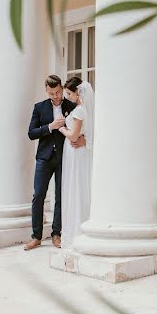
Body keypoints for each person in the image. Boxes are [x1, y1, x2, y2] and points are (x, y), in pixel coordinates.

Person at [23, 75, 85, 251]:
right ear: (46, 91)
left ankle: (57, 234)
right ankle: (36, 236)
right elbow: (31, 133)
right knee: (38, 195)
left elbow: (82, 126)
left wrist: (85, 140)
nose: (56, 96)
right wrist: (50, 127)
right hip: (44, 158)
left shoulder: (71, 105)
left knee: (60, 196)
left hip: (64, 158)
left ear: (61, 88)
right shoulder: (39, 107)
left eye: (58, 92)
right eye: (52, 93)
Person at [57, 76, 94, 247]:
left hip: (76, 153)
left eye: (69, 94)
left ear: (78, 92)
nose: (67, 97)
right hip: (75, 152)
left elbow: (73, 135)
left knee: (76, 188)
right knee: (76, 187)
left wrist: (62, 128)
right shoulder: (80, 109)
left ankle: (76, 231)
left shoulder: (79, 111)